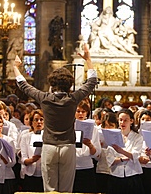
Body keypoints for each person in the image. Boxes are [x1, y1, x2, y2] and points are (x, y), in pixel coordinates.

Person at [13, 43, 97, 193]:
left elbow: (23, 85)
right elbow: (91, 82)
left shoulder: (45, 98)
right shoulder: (73, 99)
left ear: (52, 85)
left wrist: (15, 67)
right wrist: (88, 59)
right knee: (66, 190)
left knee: (50, 190)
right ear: (70, 84)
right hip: (68, 147)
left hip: (50, 147)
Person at [106, 109, 144, 194]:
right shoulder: (113, 136)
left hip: (132, 176)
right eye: (120, 120)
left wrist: (121, 151)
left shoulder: (137, 137)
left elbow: (136, 156)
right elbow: (110, 159)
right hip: (115, 175)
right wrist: (124, 158)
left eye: (125, 120)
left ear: (131, 121)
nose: (122, 122)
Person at [73, 101, 101, 193]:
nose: (81, 114)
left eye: (83, 111)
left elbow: (96, 154)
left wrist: (89, 145)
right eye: (78, 111)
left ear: (87, 113)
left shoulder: (94, 129)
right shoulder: (68, 128)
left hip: (87, 167)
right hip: (71, 167)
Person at [20, 109, 45, 192]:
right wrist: (32, 160)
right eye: (36, 120)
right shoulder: (25, 137)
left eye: (41, 120)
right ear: (31, 122)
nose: (39, 122)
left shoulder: (48, 137)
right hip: (30, 176)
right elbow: (23, 158)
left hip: (45, 175)